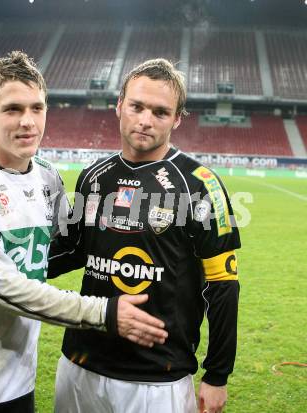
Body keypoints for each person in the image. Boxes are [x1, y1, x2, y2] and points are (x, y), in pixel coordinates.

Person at [0, 51, 168, 413]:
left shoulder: (46, 176)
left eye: (37, 108)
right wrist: (104, 313)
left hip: (16, 386)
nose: (28, 122)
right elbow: (0, 287)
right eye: (12, 109)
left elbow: (73, 247)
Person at [48, 58, 241, 413]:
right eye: (136, 106)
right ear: (119, 105)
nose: (145, 119)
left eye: (160, 112)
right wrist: (2, 269)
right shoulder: (94, 176)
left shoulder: (201, 185)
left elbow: (223, 288)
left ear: (177, 118)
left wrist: (217, 375)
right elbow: (73, 249)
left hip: (157, 378)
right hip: (79, 363)